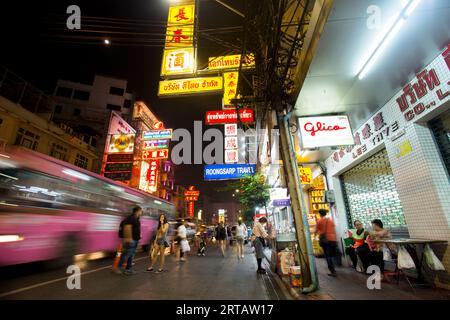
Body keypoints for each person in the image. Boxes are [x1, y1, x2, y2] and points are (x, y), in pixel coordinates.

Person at [114, 206, 143, 275]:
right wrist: (129, 239)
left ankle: (128, 269)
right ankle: (116, 267)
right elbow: (127, 228)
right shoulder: (131, 218)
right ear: (137, 211)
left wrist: (138, 238)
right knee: (126, 255)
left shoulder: (136, 218)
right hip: (131, 240)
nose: (141, 212)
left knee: (131, 255)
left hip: (135, 240)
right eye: (141, 211)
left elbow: (135, 229)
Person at [316, 209, 338, 277]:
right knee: (331, 254)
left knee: (328, 255)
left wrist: (316, 235)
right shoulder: (330, 220)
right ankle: (334, 267)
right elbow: (334, 228)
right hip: (333, 239)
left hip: (325, 240)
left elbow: (316, 230)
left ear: (320, 214)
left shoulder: (319, 221)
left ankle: (332, 270)